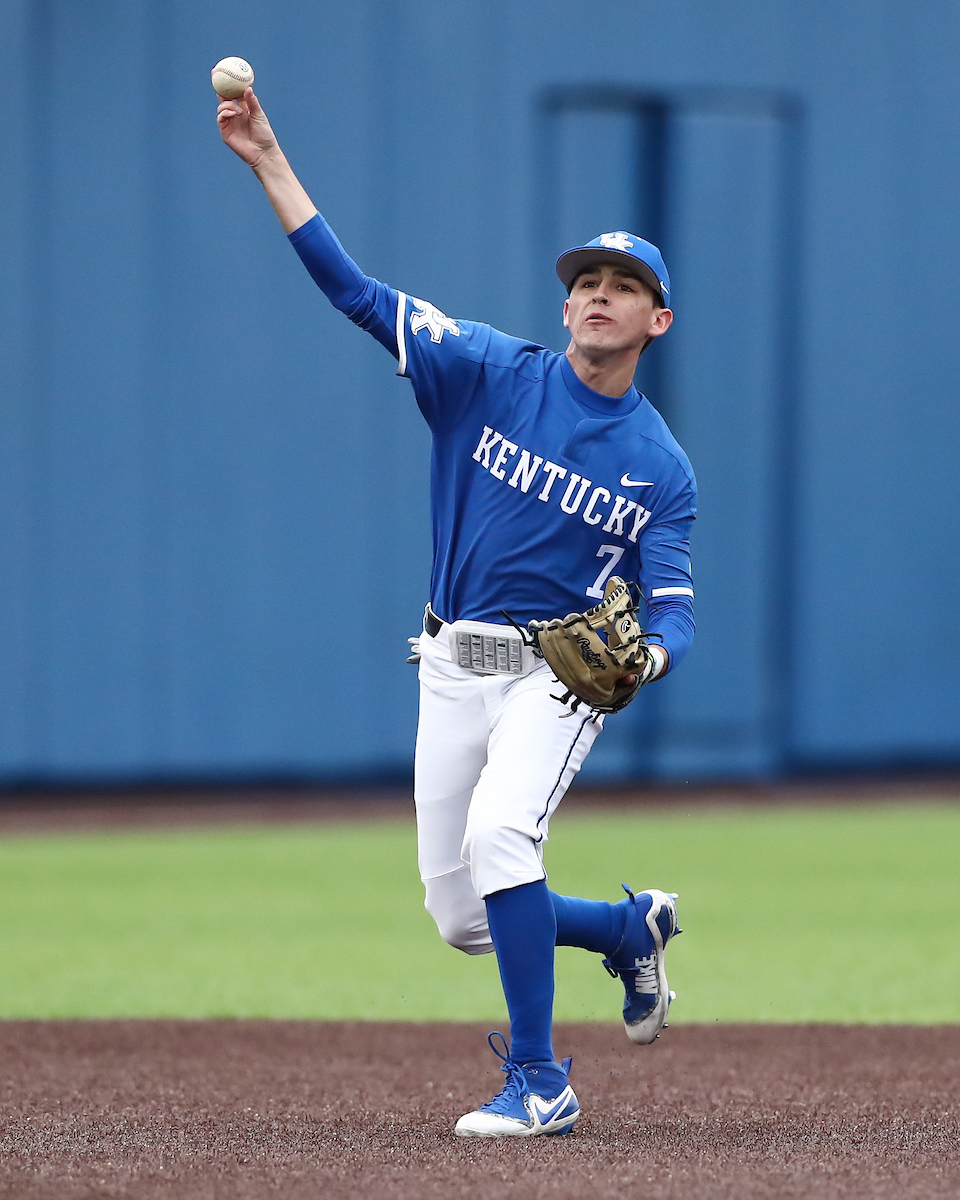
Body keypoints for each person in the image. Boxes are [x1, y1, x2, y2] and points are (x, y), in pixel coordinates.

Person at [217, 86, 696, 1139]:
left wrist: (651, 661)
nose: (600, 296)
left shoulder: (660, 467)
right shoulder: (484, 371)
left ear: (655, 321)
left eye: (625, 287)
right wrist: (267, 158)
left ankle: (541, 1080)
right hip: (449, 662)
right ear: (565, 308)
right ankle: (626, 929)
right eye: (587, 283)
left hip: (556, 677)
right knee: (461, 915)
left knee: (502, 835)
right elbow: (353, 292)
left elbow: (672, 607)